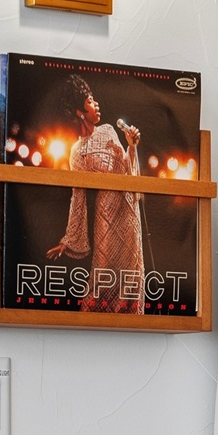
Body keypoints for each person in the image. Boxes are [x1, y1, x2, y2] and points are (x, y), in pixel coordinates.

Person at [45, 74, 144, 314]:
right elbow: (78, 196)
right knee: (103, 279)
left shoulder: (109, 131)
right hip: (106, 219)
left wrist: (131, 147)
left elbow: (128, 171)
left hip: (129, 216)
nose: (96, 104)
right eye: (90, 101)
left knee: (132, 276)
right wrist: (67, 240)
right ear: (79, 111)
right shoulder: (76, 152)